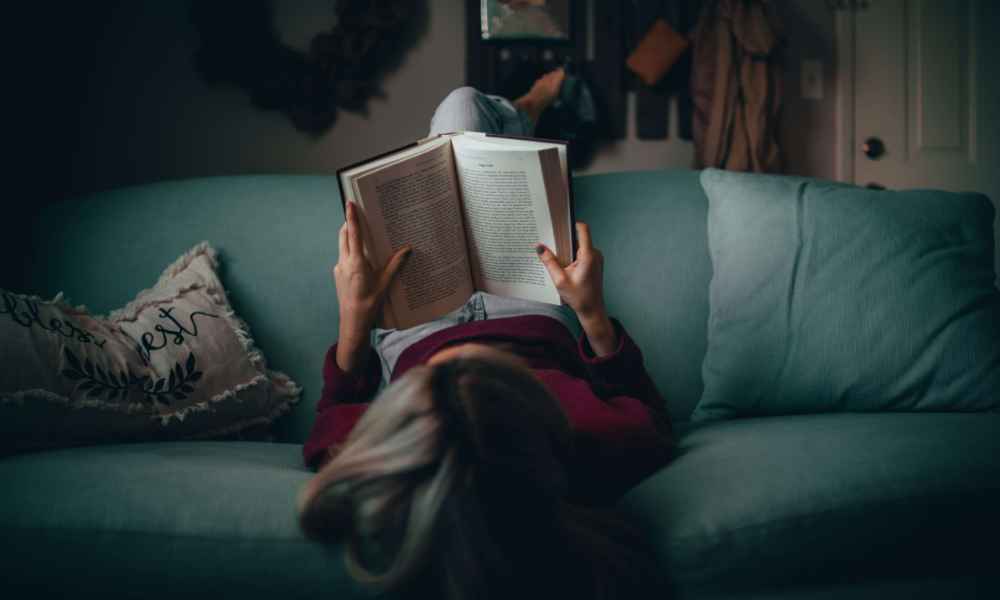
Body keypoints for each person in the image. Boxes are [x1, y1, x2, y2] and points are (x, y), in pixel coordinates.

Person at [296, 74, 674, 599]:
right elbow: (650, 414)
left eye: (439, 388)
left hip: (417, 325)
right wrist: (592, 314)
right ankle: (528, 112)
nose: (469, 356)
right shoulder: (589, 444)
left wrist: (354, 320)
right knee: (466, 116)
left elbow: (329, 420)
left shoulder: (391, 464)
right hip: (525, 310)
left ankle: (520, 115)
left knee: (456, 123)